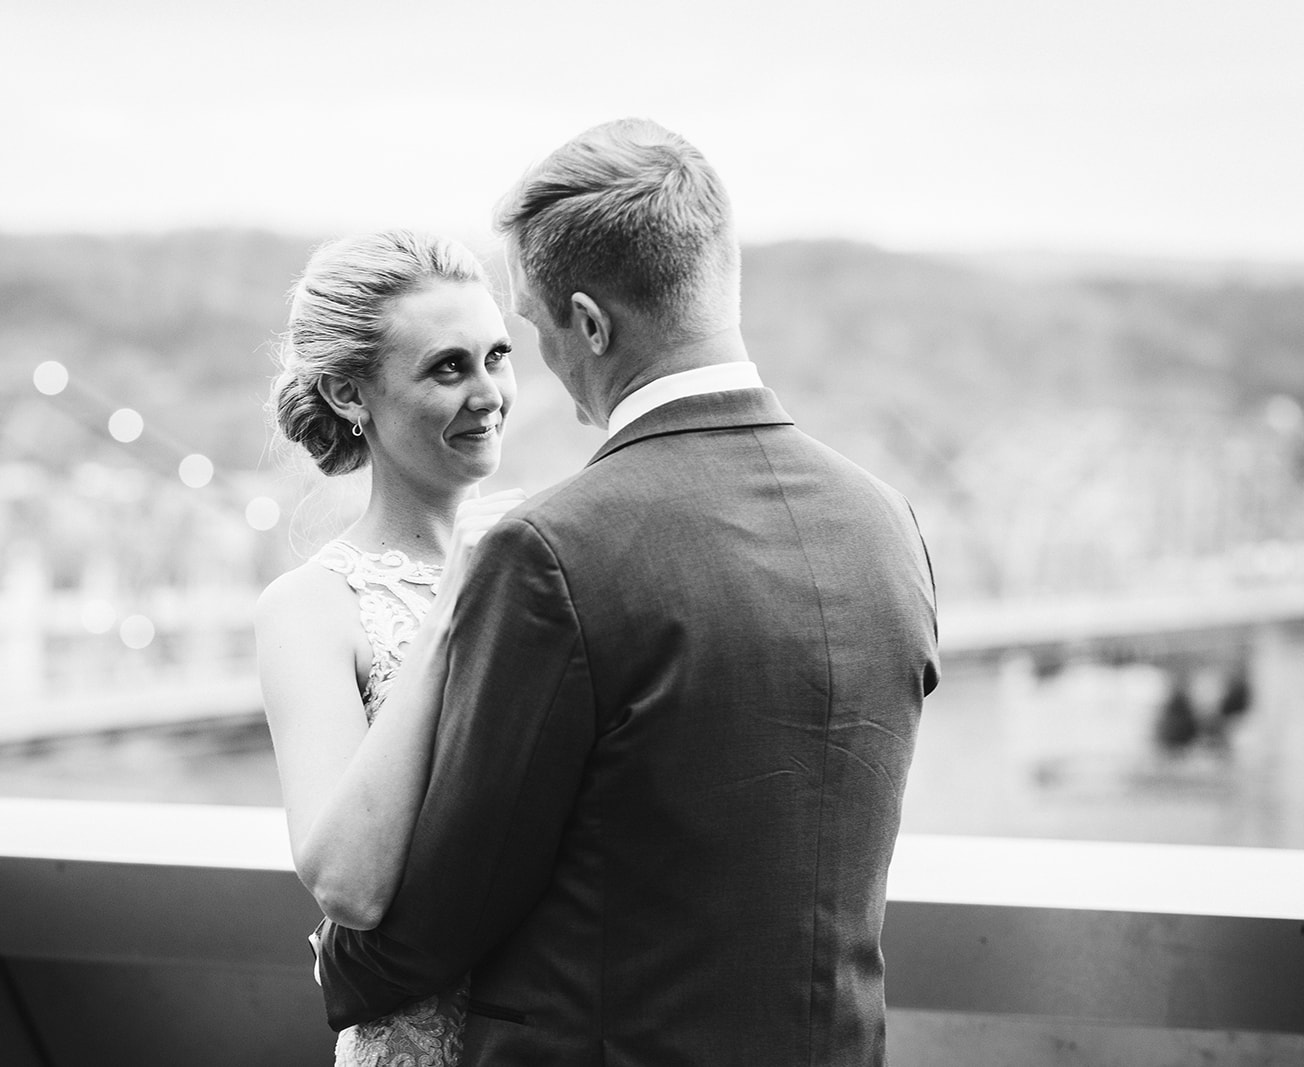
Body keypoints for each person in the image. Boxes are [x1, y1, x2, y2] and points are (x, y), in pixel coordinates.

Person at [313, 119, 941, 1065]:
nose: (528, 370)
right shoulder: (887, 524)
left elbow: (457, 886)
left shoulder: (553, 552)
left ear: (592, 323)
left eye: (530, 332)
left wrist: (342, 970)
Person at [254, 230, 526, 1066]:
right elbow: (347, 883)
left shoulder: (543, 560)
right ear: (348, 392)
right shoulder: (311, 607)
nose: (489, 393)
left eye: (498, 356)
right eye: (449, 367)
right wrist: (454, 605)